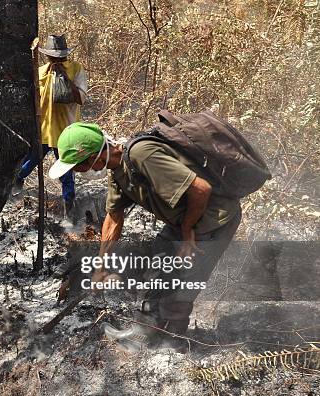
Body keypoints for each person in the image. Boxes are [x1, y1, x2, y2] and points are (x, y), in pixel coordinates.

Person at [48, 122, 242, 351]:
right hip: (183, 219)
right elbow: (113, 219)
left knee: (183, 283)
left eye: (76, 166)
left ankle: (172, 345)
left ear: (91, 158)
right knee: (156, 270)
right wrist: (100, 266)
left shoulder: (141, 155)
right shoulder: (118, 171)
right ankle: (145, 333)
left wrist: (189, 231)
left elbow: (201, 189)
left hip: (213, 219)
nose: (77, 172)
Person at [13, 35, 88, 222]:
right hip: (44, 130)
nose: (57, 60)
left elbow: (81, 99)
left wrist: (63, 77)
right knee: (29, 164)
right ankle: (15, 191)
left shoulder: (76, 70)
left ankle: (69, 210)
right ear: (47, 57)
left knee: (66, 173)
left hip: (67, 132)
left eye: (60, 57)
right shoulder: (40, 73)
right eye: (54, 58)